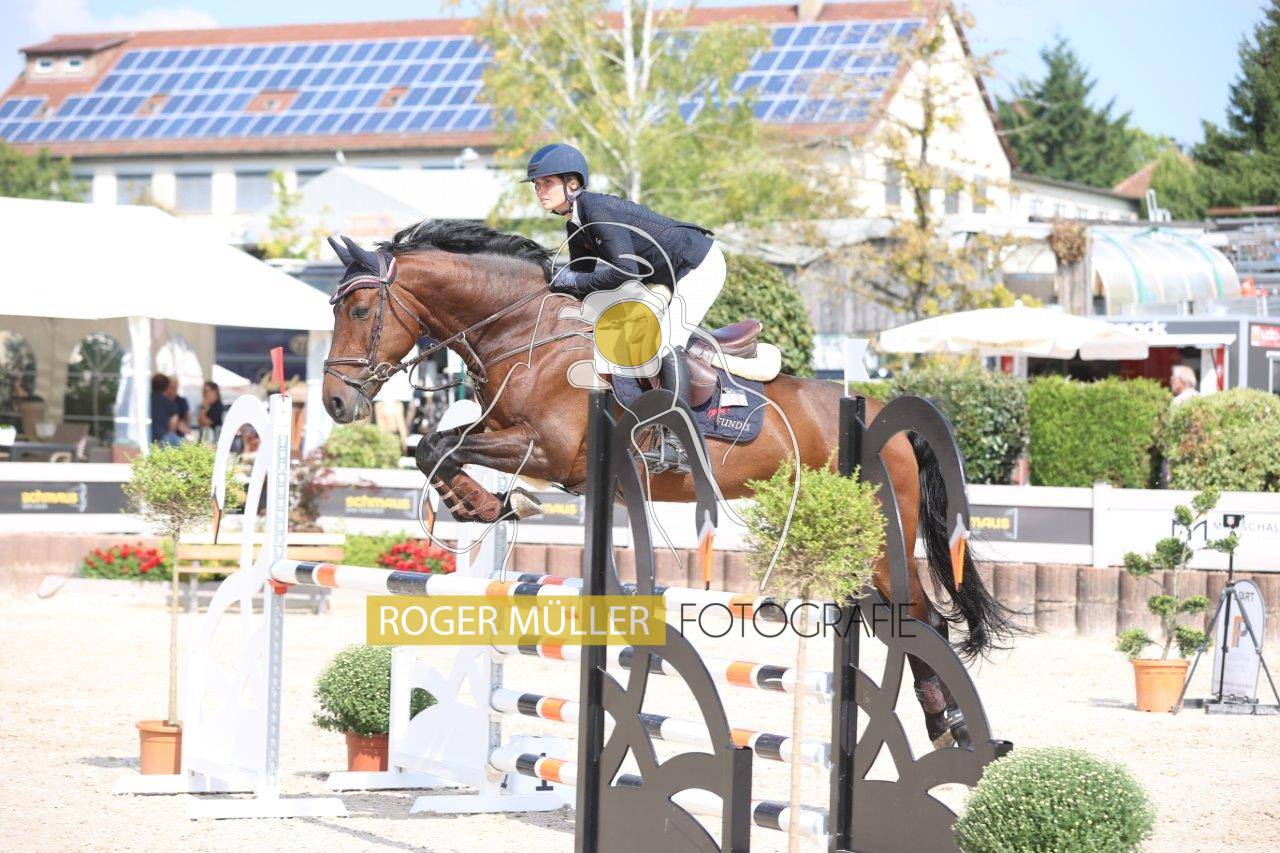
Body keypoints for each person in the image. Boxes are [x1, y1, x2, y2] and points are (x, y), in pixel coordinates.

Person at [524, 142, 725, 470]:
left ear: (572, 183)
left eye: (547, 182)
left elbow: (625, 271)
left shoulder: (597, 210)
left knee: (666, 341)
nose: (539, 190)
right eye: (536, 184)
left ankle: (681, 443)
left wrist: (572, 280)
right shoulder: (576, 224)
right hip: (664, 274)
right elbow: (582, 279)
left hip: (697, 265)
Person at [148, 374, 181, 446]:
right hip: (161, 439)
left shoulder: (144, 402)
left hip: (145, 437)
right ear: (167, 387)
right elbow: (172, 429)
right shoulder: (171, 404)